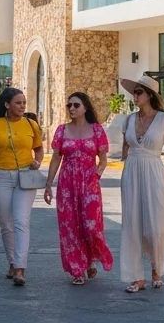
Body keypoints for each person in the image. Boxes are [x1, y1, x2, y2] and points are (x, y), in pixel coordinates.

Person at [44, 92, 113, 285]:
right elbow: (56, 158)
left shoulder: (97, 130)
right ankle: (78, 269)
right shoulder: (62, 130)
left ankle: (91, 258)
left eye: (76, 105)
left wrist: (96, 175)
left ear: (85, 108)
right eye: (69, 105)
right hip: (67, 184)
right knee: (70, 227)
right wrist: (48, 184)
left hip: (90, 184)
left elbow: (103, 160)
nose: (72, 109)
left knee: (91, 226)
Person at [118, 74, 164, 294]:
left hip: (154, 173)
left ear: (150, 95)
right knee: (132, 224)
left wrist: (163, 179)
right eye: (134, 92)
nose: (134, 96)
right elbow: (126, 148)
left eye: (139, 92)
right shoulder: (129, 120)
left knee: (155, 226)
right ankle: (137, 276)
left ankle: (156, 270)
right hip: (131, 172)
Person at [0, 87, 44, 286]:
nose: (22, 106)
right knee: (6, 224)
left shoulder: (31, 124)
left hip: (25, 176)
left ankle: (20, 268)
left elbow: (39, 148)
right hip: (1, 177)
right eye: (18, 103)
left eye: (24, 102)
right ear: (7, 105)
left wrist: (37, 162)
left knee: (21, 221)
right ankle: (12, 262)